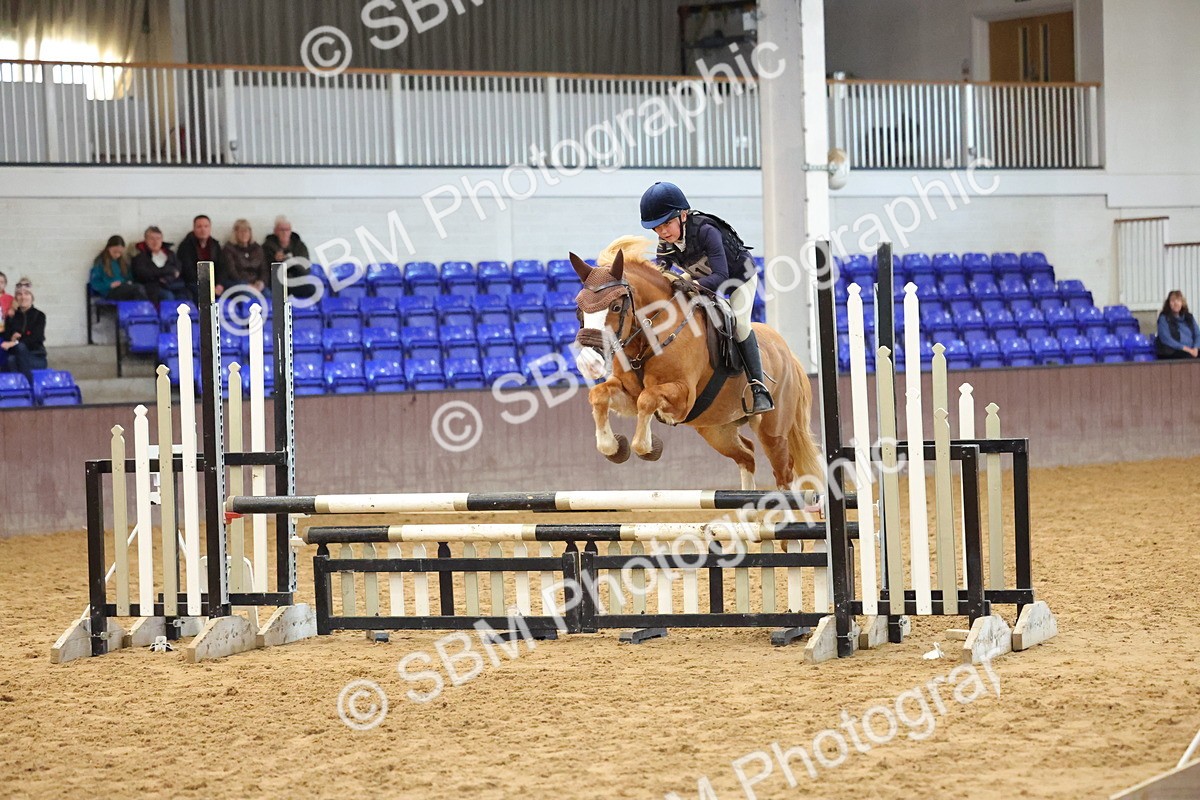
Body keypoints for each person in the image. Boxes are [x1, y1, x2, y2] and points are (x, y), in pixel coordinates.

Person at [639, 181, 774, 414]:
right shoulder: (666, 241)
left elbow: (721, 276)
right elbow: (660, 273)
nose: (663, 232)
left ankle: (758, 388)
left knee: (740, 324)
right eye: (657, 228)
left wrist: (689, 284)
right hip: (702, 278)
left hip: (737, 278)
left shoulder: (706, 231)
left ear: (683, 215)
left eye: (667, 224)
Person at [1, 284, 48, 383]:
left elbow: (36, 338)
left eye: (27, 294)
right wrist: (12, 339)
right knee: (11, 359)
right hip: (15, 357)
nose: (23, 297)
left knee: (20, 348)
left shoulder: (39, 316)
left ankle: (28, 385)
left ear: (32, 297)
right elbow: (7, 337)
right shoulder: (11, 317)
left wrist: (15, 342)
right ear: (16, 298)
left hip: (35, 356)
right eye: (19, 294)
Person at [261, 215, 316, 299]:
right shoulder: (267, 246)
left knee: (311, 289)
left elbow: (306, 269)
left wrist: (290, 261)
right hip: (276, 283)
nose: (284, 232)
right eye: (281, 230)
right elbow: (263, 269)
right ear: (275, 231)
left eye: (287, 229)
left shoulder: (299, 246)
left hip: (295, 280)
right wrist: (275, 260)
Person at [131, 226, 188, 304]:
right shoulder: (140, 257)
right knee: (168, 296)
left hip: (172, 284)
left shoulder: (170, 254)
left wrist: (167, 279)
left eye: (158, 238)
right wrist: (168, 271)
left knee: (185, 296)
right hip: (152, 287)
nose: (155, 242)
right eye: (152, 239)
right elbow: (144, 273)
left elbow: (178, 269)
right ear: (146, 240)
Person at [177, 215, 229, 297]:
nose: (203, 230)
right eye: (199, 227)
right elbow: (188, 270)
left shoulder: (215, 245)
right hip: (194, 283)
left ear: (210, 228)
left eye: (206, 226)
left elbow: (222, 267)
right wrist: (206, 285)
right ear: (194, 228)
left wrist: (220, 284)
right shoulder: (186, 246)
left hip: (214, 283)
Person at [89, 236, 148, 301]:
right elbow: (95, 283)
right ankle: (144, 307)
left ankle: (142, 306)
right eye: (115, 252)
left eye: (120, 252)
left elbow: (129, 277)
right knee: (137, 289)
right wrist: (110, 285)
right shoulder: (100, 262)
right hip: (110, 292)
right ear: (108, 248)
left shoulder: (122, 262)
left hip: (123, 288)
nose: (117, 255)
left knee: (142, 289)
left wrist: (129, 282)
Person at [221, 219, 268, 291]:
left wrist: (261, 282)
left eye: (246, 231)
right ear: (235, 233)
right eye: (241, 231)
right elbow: (232, 272)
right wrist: (247, 285)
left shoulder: (257, 248)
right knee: (249, 295)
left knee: (268, 294)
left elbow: (264, 269)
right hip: (237, 283)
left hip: (256, 283)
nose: (244, 234)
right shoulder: (228, 249)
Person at [1156, 290, 1200, 359]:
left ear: (1182, 303)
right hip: (1173, 352)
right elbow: (1166, 339)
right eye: (1173, 301)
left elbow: (1197, 334)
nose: (1176, 303)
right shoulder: (1164, 318)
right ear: (1168, 303)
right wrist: (1187, 349)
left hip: (1192, 350)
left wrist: (1196, 348)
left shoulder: (1189, 317)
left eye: (1178, 301)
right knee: (1188, 357)